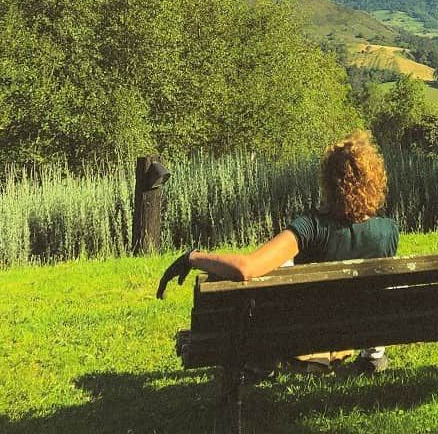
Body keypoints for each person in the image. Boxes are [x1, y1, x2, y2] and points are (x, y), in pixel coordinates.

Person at [157, 130, 398, 374]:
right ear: (374, 182)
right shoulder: (388, 231)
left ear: (328, 181)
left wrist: (193, 257)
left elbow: (246, 268)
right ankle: (373, 357)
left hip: (304, 331)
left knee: (270, 276)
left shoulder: (312, 226)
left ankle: (264, 360)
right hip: (355, 329)